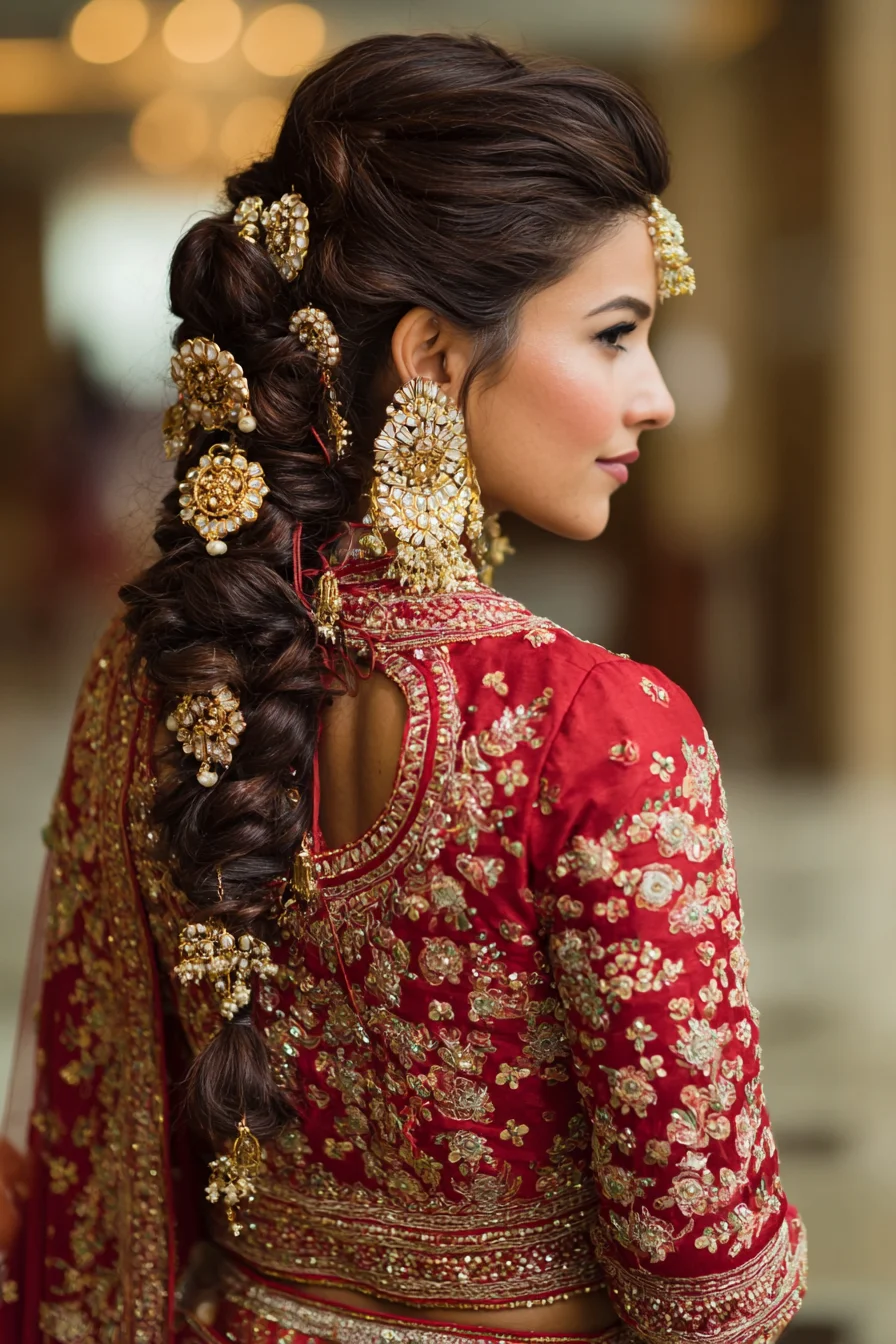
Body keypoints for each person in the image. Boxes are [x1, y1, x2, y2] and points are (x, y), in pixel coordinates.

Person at [0, 32, 806, 1344]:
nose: (654, 396)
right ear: (433, 355)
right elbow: (707, 1279)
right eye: (613, 336)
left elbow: (114, 1161)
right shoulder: (600, 730)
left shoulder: (170, 669)